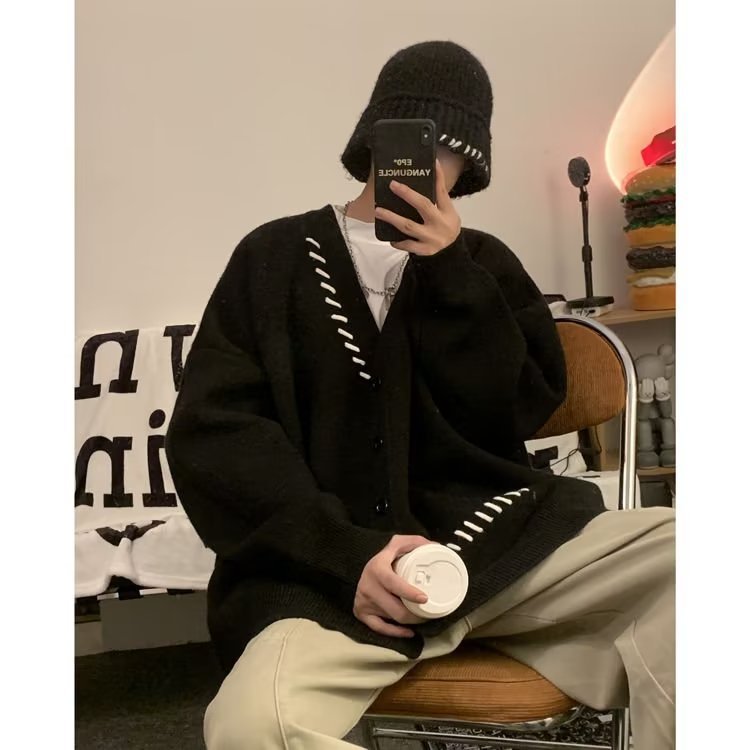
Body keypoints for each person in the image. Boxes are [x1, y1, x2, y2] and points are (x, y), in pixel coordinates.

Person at [165, 40, 674, 750]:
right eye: (414, 139)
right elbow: (218, 439)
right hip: (328, 588)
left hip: (501, 554)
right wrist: (344, 555)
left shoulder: (485, 265)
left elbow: (517, 409)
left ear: (472, 165)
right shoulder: (271, 258)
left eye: (452, 149)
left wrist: (453, 277)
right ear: (374, 139)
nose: (429, 163)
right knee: (254, 726)